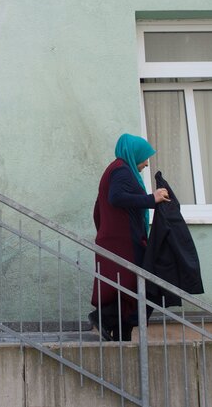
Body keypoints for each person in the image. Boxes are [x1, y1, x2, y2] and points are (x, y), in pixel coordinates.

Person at [89, 133, 170, 341]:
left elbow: (98, 208)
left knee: (125, 289)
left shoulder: (117, 170)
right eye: (144, 157)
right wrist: (152, 199)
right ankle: (103, 318)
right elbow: (116, 198)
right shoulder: (121, 170)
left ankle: (122, 336)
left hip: (117, 238)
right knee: (135, 287)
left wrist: (104, 231)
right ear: (135, 154)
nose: (146, 163)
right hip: (123, 241)